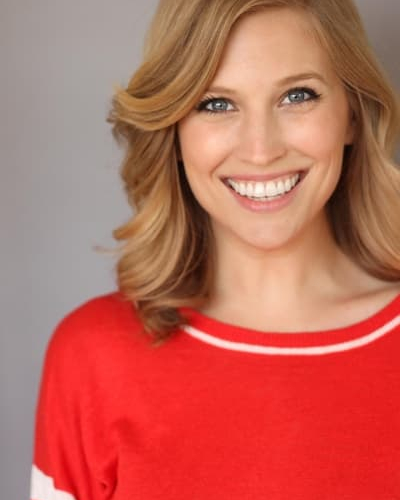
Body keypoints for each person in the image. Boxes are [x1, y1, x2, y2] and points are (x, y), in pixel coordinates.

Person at [31, 0, 400, 498]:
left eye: (297, 95)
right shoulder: (91, 357)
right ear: (175, 130)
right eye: (216, 104)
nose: (260, 150)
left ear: (352, 114)